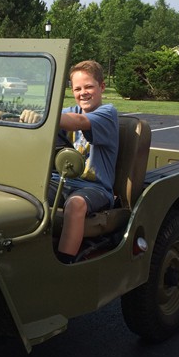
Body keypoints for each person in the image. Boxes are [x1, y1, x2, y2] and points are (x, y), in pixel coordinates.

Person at [43, 60, 119, 264]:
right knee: (28, 192)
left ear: (102, 87)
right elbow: (58, 118)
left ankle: (64, 264)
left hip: (95, 187)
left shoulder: (107, 113)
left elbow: (79, 123)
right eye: (77, 88)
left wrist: (44, 116)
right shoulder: (70, 111)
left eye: (89, 87)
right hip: (61, 180)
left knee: (75, 205)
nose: (83, 92)